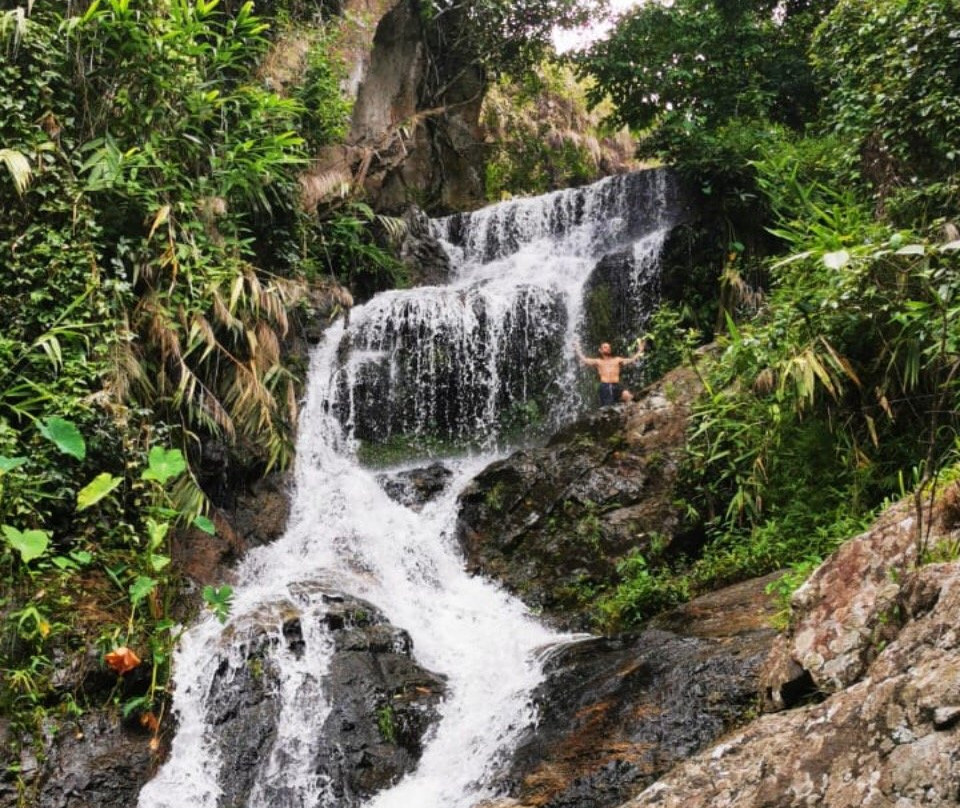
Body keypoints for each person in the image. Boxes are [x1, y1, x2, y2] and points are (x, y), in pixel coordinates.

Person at [575, 339, 646, 406]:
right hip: (605, 386)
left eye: (609, 347)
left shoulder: (617, 360)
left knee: (628, 396)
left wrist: (640, 350)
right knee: (608, 408)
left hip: (616, 385)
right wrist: (577, 349)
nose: (608, 348)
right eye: (605, 347)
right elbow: (584, 360)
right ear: (600, 350)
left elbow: (631, 360)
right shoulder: (598, 361)